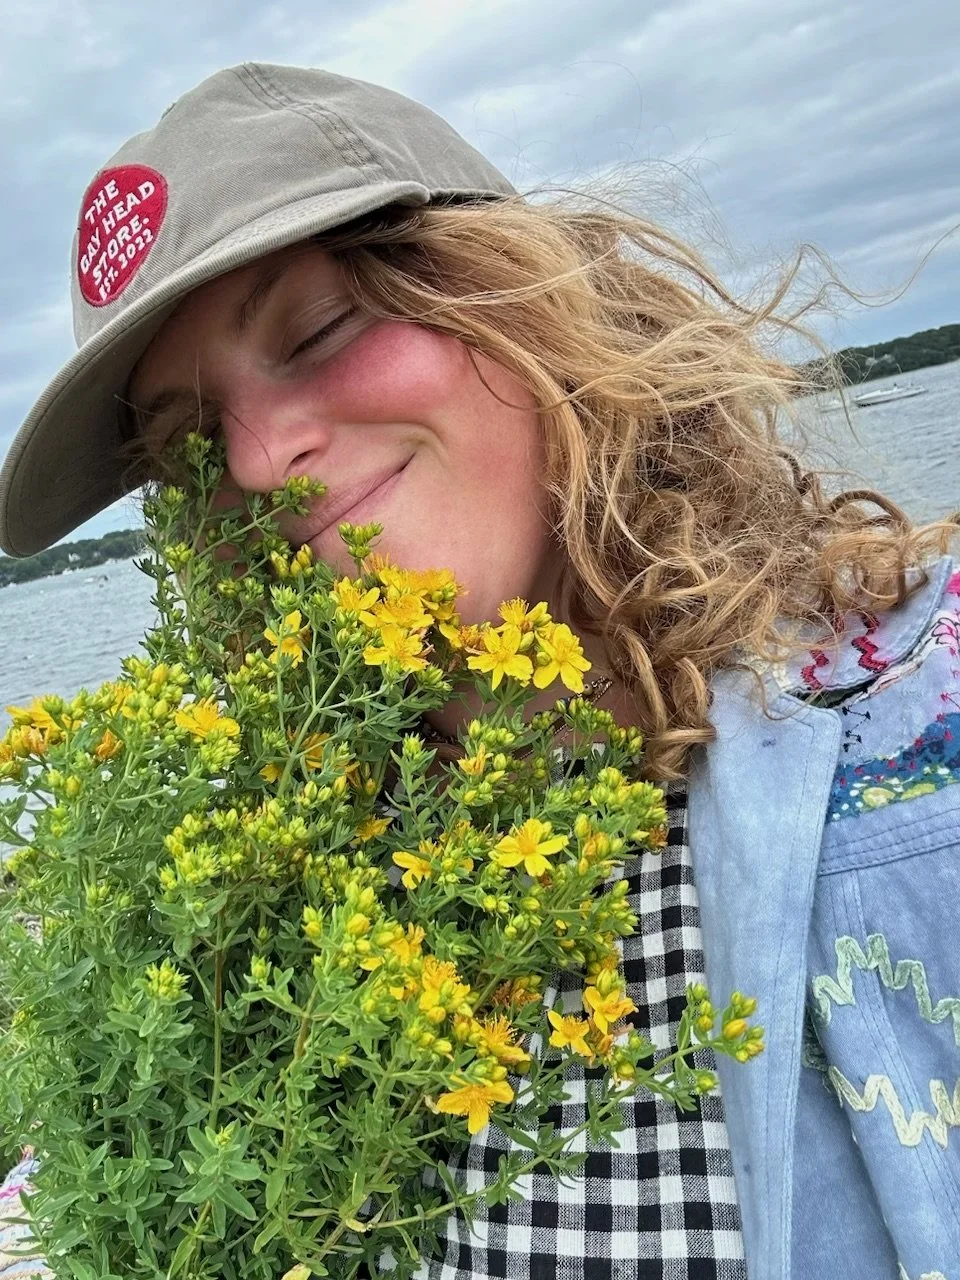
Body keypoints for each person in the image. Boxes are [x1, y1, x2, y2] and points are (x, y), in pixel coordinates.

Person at [1, 62, 958, 1280]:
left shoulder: (922, 713)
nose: (257, 459)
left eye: (318, 330)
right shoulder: (278, 876)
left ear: (512, 294)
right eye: (191, 443)